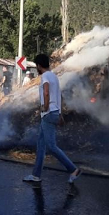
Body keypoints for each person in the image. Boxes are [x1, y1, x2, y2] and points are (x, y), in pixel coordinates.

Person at [23, 54, 81, 184]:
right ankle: (36, 175)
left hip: (48, 113)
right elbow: (59, 96)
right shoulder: (54, 76)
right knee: (41, 145)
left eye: (36, 66)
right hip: (54, 112)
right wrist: (59, 113)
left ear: (38, 65)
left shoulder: (45, 76)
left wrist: (45, 107)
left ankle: (73, 169)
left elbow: (46, 92)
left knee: (51, 146)